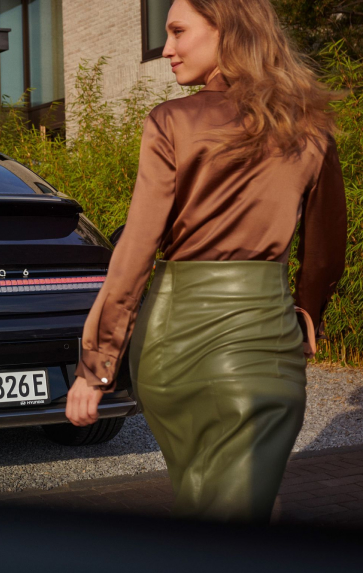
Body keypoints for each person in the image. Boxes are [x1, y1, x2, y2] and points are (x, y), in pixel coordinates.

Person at [65, 0, 347, 522]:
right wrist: (307, 316)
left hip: (167, 352)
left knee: (205, 499)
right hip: (260, 345)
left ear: (230, 32)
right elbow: (327, 250)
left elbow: (136, 252)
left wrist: (97, 367)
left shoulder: (171, 122)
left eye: (177, 31)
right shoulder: (311, 126)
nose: (167, 49)